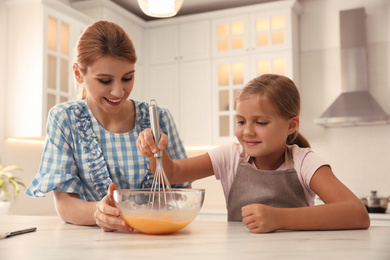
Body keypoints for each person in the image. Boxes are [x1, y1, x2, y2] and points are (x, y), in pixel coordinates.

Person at [137, 74, 370, 233]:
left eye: (260, 122)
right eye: (240, 121)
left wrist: (279, 219)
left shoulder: (304, 161)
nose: (247, 131)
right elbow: (172, 174)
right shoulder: (231, 156)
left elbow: (357, 213)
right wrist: (156, 152)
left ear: (291, 125)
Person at [26, 21, 190, 232]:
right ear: (78, 74)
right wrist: (98, 212)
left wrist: (158, 156)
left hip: (153, 240)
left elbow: (183, 191)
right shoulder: (65, 119)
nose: (118, 92)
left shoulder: (158, 118)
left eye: (127, 78)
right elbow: (65, 205)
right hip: (93, 244)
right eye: (105, 81)